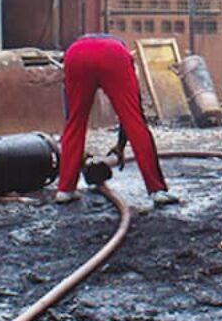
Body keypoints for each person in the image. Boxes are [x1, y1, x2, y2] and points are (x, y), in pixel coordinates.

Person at [54, 34, 180, 206]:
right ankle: (157, 190)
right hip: (113, 55)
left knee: (74, 123)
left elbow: (69, 115)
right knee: (134, 121)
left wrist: (77, 153)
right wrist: (121, 145)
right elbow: (134, 112)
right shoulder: (122, 52)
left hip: (76, 54)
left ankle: (65, 190)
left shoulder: (77, 48)